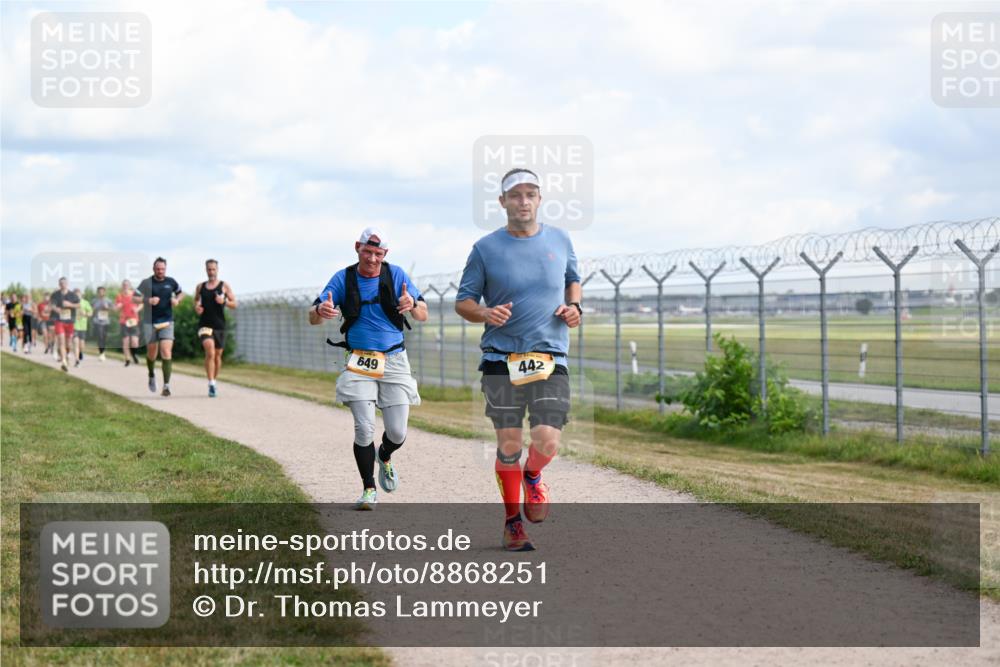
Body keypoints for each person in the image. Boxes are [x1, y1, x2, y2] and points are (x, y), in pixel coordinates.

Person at [455, 168, 582, 552]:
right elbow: (463, 302)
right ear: (502, 202)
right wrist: (485, 314)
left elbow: (572, 279)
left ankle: (533, 475)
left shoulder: (560, 240)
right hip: (500, 358)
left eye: (530, 194)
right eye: (515, 195)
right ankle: (513, 523)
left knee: (546, 441)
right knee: (509, 443)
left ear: (539, 199)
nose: (523, 201)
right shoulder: (485, 249)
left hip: (549, 355)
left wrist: (574, 307)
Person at [309, 227, 428, 510]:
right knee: (364, 428)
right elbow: (312, 316)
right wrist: (319, 312)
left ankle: (384, 456)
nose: (372, 259)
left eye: (378, 254)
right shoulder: (343, 278)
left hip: (395, 360)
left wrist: (412, 305)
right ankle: (368, 489)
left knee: (397, 432)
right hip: (359, 361)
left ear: (385, 254)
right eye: (367, 252)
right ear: (357, 248)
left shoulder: (396, 274)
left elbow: (423, 313)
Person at [135, 258, 182, 396]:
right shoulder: (146, 282)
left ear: (165, 269)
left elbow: (180, 292)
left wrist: (177, 300)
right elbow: (134, 298)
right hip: (150, 322)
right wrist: (147, 300)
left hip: (167, 321)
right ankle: (151, 374)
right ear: (153, 269)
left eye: (163, 269)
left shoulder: (171, 282)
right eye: (158, 269)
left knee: (166, 352)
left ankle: (166, 386)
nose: (160, 271)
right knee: (151, 352)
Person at [194, 259, 237, 397]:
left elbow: (234, 304)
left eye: (213, 269)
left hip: (219, 325)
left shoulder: (224, 286)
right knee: (210, 352)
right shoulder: (200, 287)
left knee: (218, 357)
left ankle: (214, 379)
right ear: (205, 270)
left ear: (217, 270)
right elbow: (196, 301)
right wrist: (197, 308)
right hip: (205, 325)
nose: (211, 272)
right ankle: (211, 383)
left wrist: (223, 301)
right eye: (209, 269)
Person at [49, 278, 81, 372]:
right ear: (59, 284)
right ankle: (63, 362)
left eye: (64, 283)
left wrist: (70, 304)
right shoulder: (55, 295)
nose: (63, 285)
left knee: (68, 343)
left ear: (67, 284)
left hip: (70, 321)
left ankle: (67, 355)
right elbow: (52, 305)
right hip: (59, 321)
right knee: (61, 341)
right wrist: (56, 309)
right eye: (61, 283)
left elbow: (79, 305)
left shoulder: (73, 295)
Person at [116, 279, 142, 366]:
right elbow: (116, 307)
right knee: (126, 342)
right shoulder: (119, 296)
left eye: (127, 285)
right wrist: (118, 306)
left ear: (130, 286)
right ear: (122, 286)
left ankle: (134, 354)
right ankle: (127, 359)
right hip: (124, 321)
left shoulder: (135, 294)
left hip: (134, 320)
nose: (125, 286)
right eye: (124, 285)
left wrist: (137, 309)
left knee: (135, 342)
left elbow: (142, 303)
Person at [91, 286, 114, 361]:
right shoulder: (94, 301)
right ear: (97, 292)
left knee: (104, 337)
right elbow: (91, 310)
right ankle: (101, 353)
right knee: (100, 336)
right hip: (97, 321)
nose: (101, 293)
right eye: (99, 291)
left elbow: (113, 309)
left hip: (106, 321)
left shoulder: (108, 300)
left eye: (102, 291)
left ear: (104, 292)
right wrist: (94, 309)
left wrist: (107, 307)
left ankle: (102, 351)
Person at [72, 288, 93, 367]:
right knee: (75, 343)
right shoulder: (72, 303)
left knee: (82, 345)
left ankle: (81, 352)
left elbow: (90, 312)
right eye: (75, 295)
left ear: (81, 295)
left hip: (83, 327)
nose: (77, 296)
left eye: (78, 294)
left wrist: (86, 314)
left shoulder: (85, 303)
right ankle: (77, 360)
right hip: (74, 326)